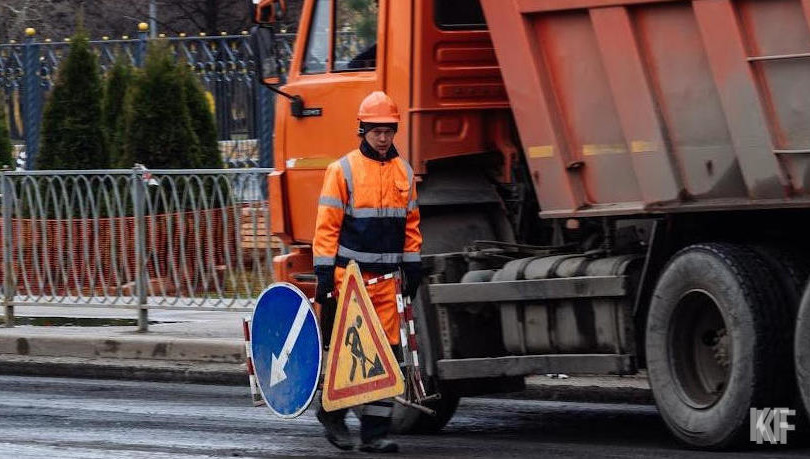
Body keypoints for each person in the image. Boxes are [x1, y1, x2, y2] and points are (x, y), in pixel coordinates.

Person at [313, 90, 422, 454]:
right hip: (351, 280)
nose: (382, 136)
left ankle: (374, 434)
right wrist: (324, 273)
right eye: (376, 130)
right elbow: (327, 226)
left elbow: (411, 225)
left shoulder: (403, 171)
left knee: (387, 356)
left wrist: (413, 264)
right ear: (362, 130)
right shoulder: (342, 170)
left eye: (388, 130)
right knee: (352, 353)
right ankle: (332, 413)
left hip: (387, 281)